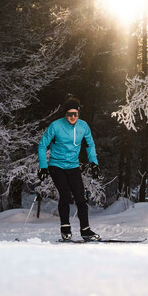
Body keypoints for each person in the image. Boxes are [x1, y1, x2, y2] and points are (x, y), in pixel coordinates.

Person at [37, 97, 100, 241]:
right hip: (56, 165)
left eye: (75, 114)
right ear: (65, 115)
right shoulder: (56, 126)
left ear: (78, 113)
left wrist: (94, 163)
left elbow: (90, 145)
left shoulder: (83, 126)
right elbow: (42, 145)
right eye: (69, 114)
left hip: (73, 166)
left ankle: (86, 230)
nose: (72, 117)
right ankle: (65, 228)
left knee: (80, 198)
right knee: (65, 195)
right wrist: (43, 167)